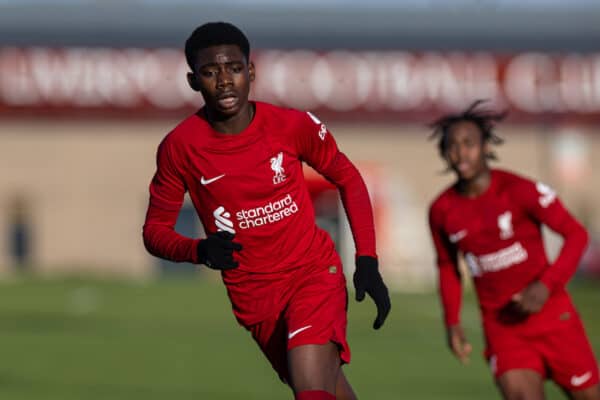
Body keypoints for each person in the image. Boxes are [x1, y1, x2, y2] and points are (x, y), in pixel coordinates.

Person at [142, 22, 391, 400]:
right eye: (211, 72)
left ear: (251, 72)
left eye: (234, 69)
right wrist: (199, 251)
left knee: (310, 388)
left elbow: (349, 179)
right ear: (194, 81)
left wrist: (368, 261)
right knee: (327, 390)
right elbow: (155, 231)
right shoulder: (180, 148)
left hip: (313, 274)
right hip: (256, 302)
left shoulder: (290, 126)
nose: (224, 81)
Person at [427, 100, 600, 400]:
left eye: (469, 143)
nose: (461, 152)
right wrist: (452, 322)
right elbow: (447, 266)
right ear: (444, 153)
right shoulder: (442, 210)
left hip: (554, 319)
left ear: (485, 147)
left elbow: (576, 235)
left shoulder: (519, 190)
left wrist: (545, 287)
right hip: (503, 328)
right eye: (452, 146)